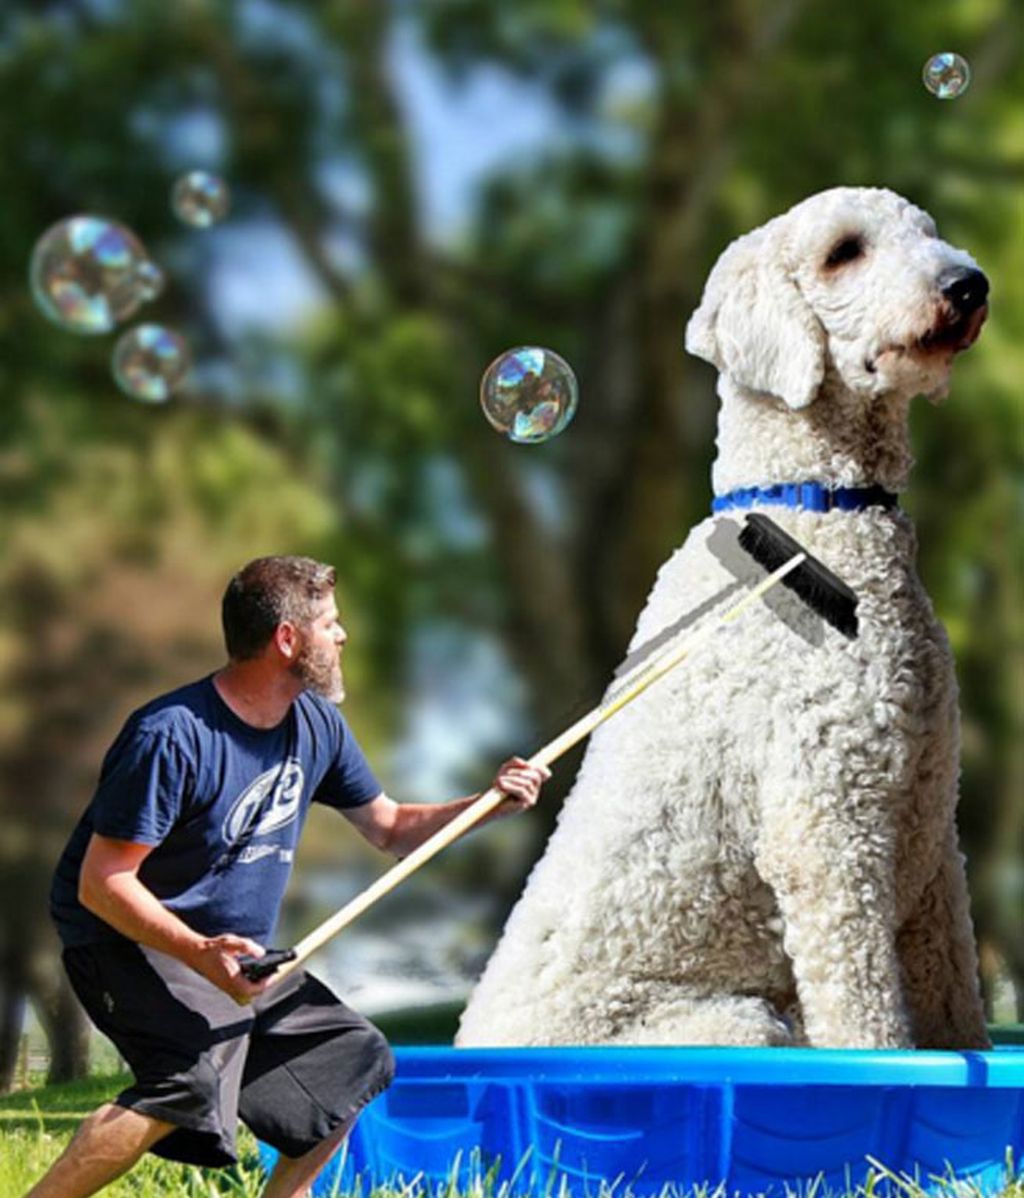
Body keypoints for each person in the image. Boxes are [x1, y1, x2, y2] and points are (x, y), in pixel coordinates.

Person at [27, 555, 550, 1198]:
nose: (342, 635)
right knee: (187, 1077)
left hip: (234, 953)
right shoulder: (171, 737)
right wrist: (199, 952)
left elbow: (390, 827)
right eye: (329, 623)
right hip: (128, 940)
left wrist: (486, 802)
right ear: (287, 639)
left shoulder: (316, 724)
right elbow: (101, 883)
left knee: (351, 1059)